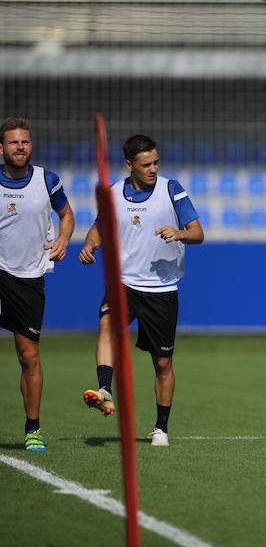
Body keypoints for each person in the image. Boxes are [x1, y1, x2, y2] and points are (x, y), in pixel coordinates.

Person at [79, 134, 204, 447]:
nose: (153, 169)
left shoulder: (171, 189)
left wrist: (179, 233)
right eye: (146, 164)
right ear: (129, 165)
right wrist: (89, 243)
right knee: (107, 324)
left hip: (161, 290)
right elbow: (99, 228)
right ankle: (104, 389)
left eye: (156, 162)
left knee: (162, 364)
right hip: (124, 283)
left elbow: (198, 233)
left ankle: (161, 428)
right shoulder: (113, 194)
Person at [0, 117, 75, 452]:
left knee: (28, 356)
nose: (20, 147)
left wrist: (63, 239)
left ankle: (33, 429)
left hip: (29, 277)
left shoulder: (48, 180)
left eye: (25, 142)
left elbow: (67, 215)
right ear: (1, 148)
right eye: (14, 142)